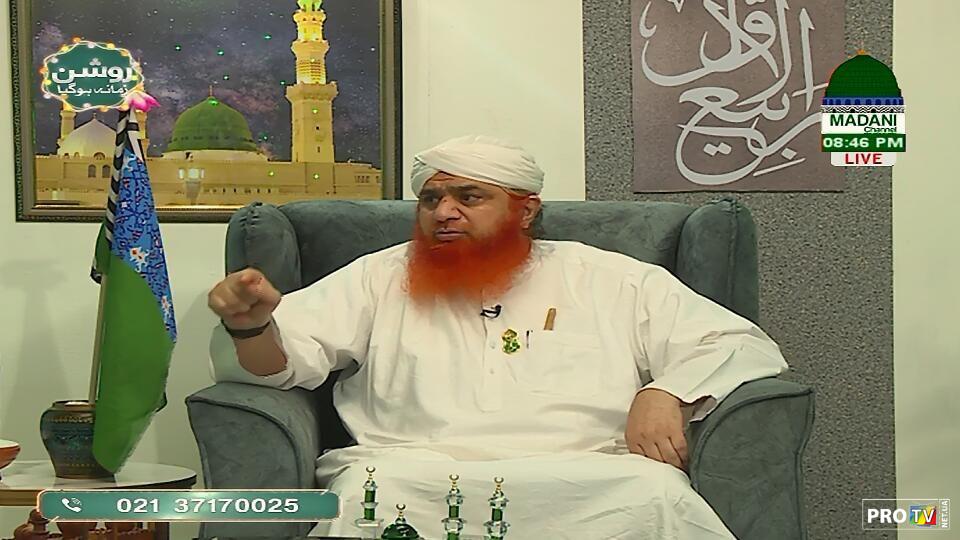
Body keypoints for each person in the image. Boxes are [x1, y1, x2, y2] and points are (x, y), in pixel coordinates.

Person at [207, 135, 788, 539]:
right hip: (412, 472)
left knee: (656, 494)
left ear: (526, 211)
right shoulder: (379, 276)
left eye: (469, 197)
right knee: (367, 497)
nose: (443, 212)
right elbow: (280, 361)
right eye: (431, 199)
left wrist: (668, 391)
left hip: (592, 474)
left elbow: (741, 343)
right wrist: (250, 324)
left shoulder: (612, 278)